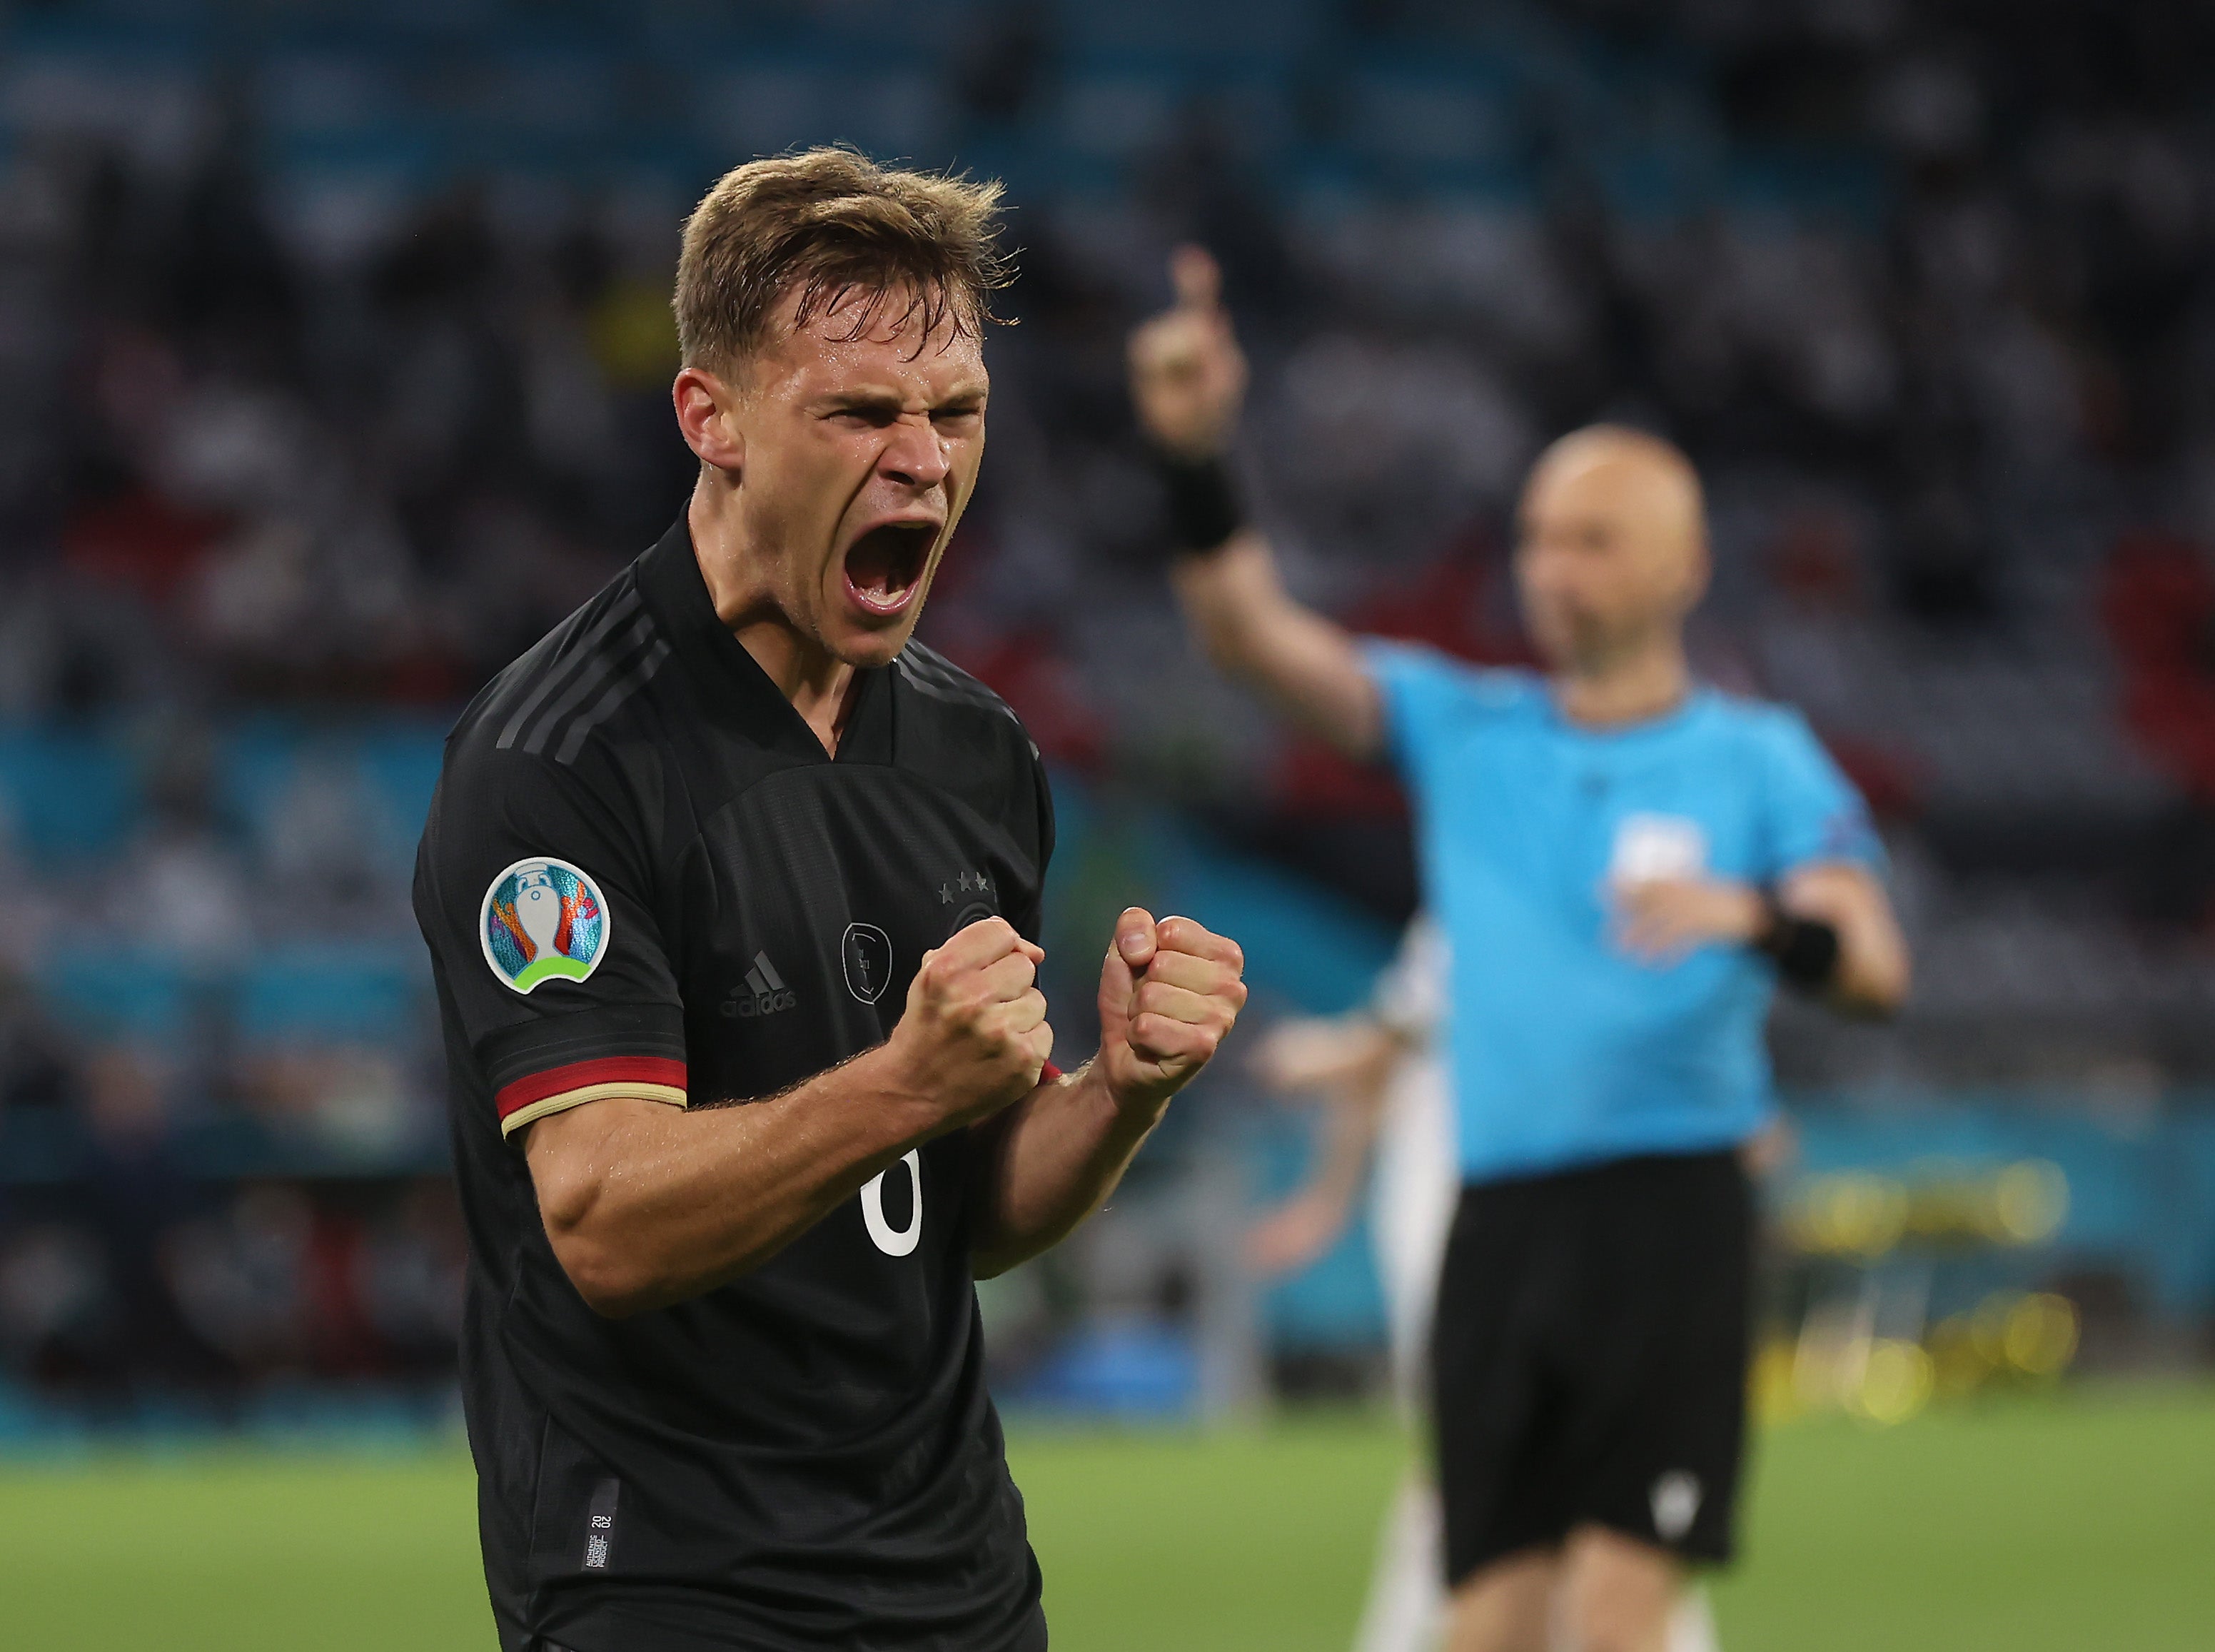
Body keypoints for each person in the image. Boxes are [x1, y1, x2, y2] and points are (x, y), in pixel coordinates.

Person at [413, 152, 1249, 1652]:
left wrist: (1119, 1087)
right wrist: (902, 1082)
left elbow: (967, 1217)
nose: (924, 461)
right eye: (862, 411)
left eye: (956, 414)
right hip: (664, 1582)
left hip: (960, 1578)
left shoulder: (977, 751)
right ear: (710, 417)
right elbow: (601, 1216)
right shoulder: (558, 760)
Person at [1131, 248, 1909, 1652]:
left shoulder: (1753, 760)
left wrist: (1760, 919)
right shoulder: (1469, 727)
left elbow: (1873, 961)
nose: (1553, 565)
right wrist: (1194, 457)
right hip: (1497, 1226)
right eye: (1540, 533)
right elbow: (1251, 635)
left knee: (1616, 1623)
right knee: (1478, 1619)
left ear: (1684, 563)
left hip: (1668, 1216)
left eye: (1594, 537)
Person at [1246, 920, 1721, 1652]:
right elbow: (1392, 1048)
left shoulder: (1532, 896)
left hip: (1510, 1210)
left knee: (1516, 1454)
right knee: (1487, 1451)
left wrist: (1321, 1058)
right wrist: (1325, 1198)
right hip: (1452, 1210)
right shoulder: (1461, 908)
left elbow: (1376, 1046)